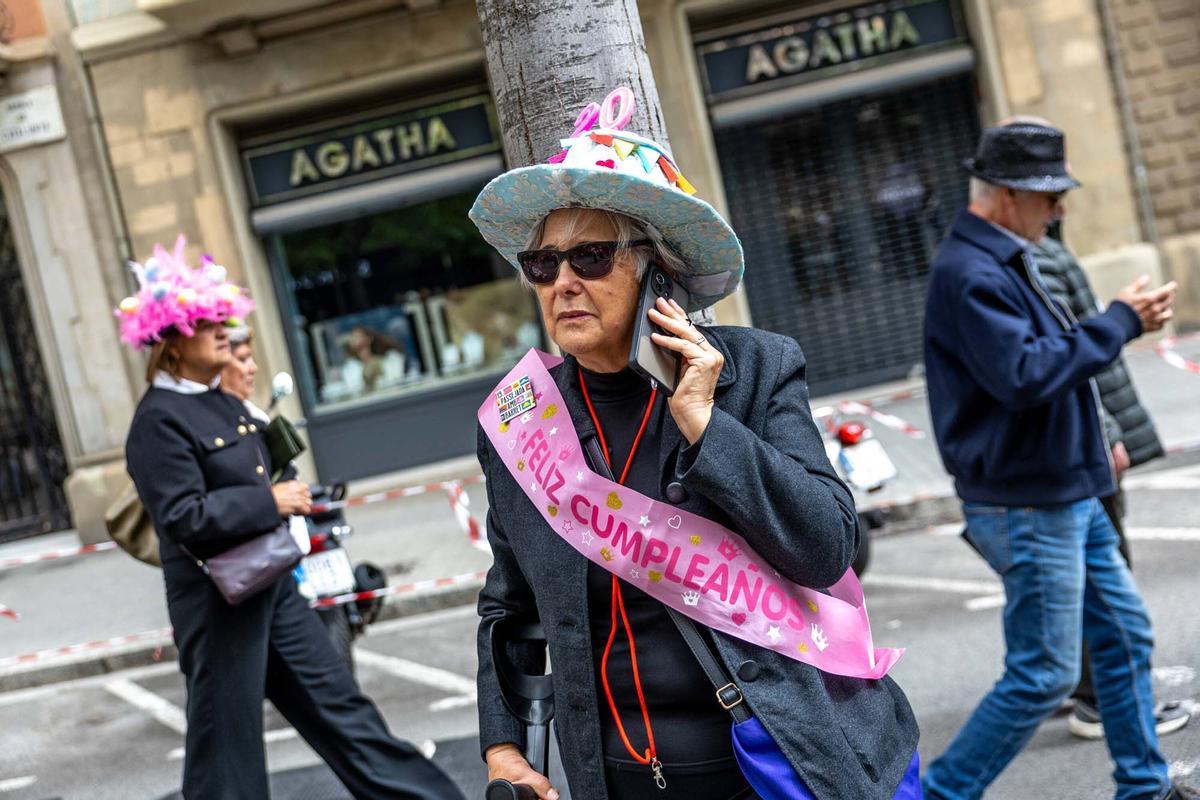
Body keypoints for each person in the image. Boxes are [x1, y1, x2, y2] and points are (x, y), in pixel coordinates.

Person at [468, 96, 920, 800]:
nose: (562, 283)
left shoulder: (755, 371)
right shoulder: (520, 423)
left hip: (774, 762)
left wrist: (709, 426)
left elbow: (827, 546)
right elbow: (510, 606)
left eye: (590, 257)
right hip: (619, 779)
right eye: (542, 263)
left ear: (657, 268)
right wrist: (505, 746)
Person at [117, 239, 462, 800]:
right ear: (172, 341)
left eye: (220, 319)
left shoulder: (218, 399)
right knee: (226, 749)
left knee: (344, 711)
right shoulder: (157, 420)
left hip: (271, 581)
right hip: (216, 599)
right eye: (206, 324)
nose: (222, 331)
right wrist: (270, 503)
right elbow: (182, 517)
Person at [921, 122, 1195, 800]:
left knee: (1125, 637)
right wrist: (1120, 321)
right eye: (1051, 196)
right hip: (1029, 501)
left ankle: (1145, 787)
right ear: (1010, 196)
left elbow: (1047, 364)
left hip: (1061, 492)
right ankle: (940, 795)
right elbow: (1023, 373)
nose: (1061, 208)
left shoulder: (1003, 256)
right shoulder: (972, 271)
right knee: (1043, 673)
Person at [1034, 222, 1191, 742]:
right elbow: (1064, 354)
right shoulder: (1032, 252)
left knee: (1076, 574)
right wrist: (1103, 428)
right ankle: (1104, 700)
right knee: (1103, 577)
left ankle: (1082, 688)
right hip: (1081, 446)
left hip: (1073, 445)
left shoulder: (1035, 246)